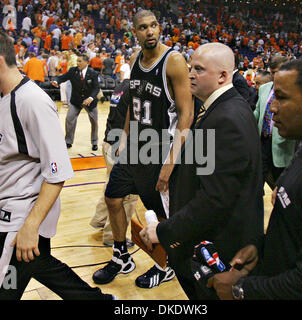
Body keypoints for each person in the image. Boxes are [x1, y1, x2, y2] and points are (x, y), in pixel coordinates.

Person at [139, 42, 264, 299]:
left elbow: (215, 199)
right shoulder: (222, 108)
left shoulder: (227, 117)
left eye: (199, 69)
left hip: (217, 251)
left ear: (222, 76)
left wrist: (164, 231)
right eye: (189, 68)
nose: (190, 74)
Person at [0, 31, 116, 300]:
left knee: (9, 285)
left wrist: (31, 226)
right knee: (41, 265)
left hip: (21, 216)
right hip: (11, 210)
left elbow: (57, 173)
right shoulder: (6, 97)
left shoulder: (31, 101)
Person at [92, 9, 194, 289]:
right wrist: (123, 136)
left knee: (160, 215)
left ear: (159, 28)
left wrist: (171, 162)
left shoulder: (173, 61)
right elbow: (132, 103)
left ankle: (167, 265)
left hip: (160, 149)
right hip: (135, 147)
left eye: (153, 26)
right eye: (142, 27)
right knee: (113, 198)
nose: (149, 31)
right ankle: (121, 255)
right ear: (134, 32)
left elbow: (187, 114)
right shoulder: (135, 59)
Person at [209, 57, 302, 300]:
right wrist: (262, 248)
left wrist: (241, 290)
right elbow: (295, 232)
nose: (272, 108)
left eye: (281, 97)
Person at [90, 79, 138, 246]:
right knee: (127, 195)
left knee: (110, 185)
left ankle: (99, 220)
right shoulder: (138, 89)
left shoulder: (122, 85)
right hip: (122, 146)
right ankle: (113, 236)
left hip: (109, 141)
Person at [253, 55, 296, 190]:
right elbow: (257, 114)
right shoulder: (264, 88)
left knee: (282, 186)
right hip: (262, 142)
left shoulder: (295, 91)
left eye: (277, 72)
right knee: (256, 183)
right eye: (272, 72)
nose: (274, 76)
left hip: (283, 145)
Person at [51, 54, 100, 151]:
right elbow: (63, 77)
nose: (78, 63)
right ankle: (68, 141)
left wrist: (91, 97)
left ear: (87, 62)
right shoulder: (73, 70)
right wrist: (56, 81)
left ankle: (94, 142)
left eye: (80, 61)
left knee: (94, 122)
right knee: (69, 119)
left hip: (90, 102)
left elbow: (96, 88)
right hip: (76, 101)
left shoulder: (93, 73)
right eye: (77, 61)